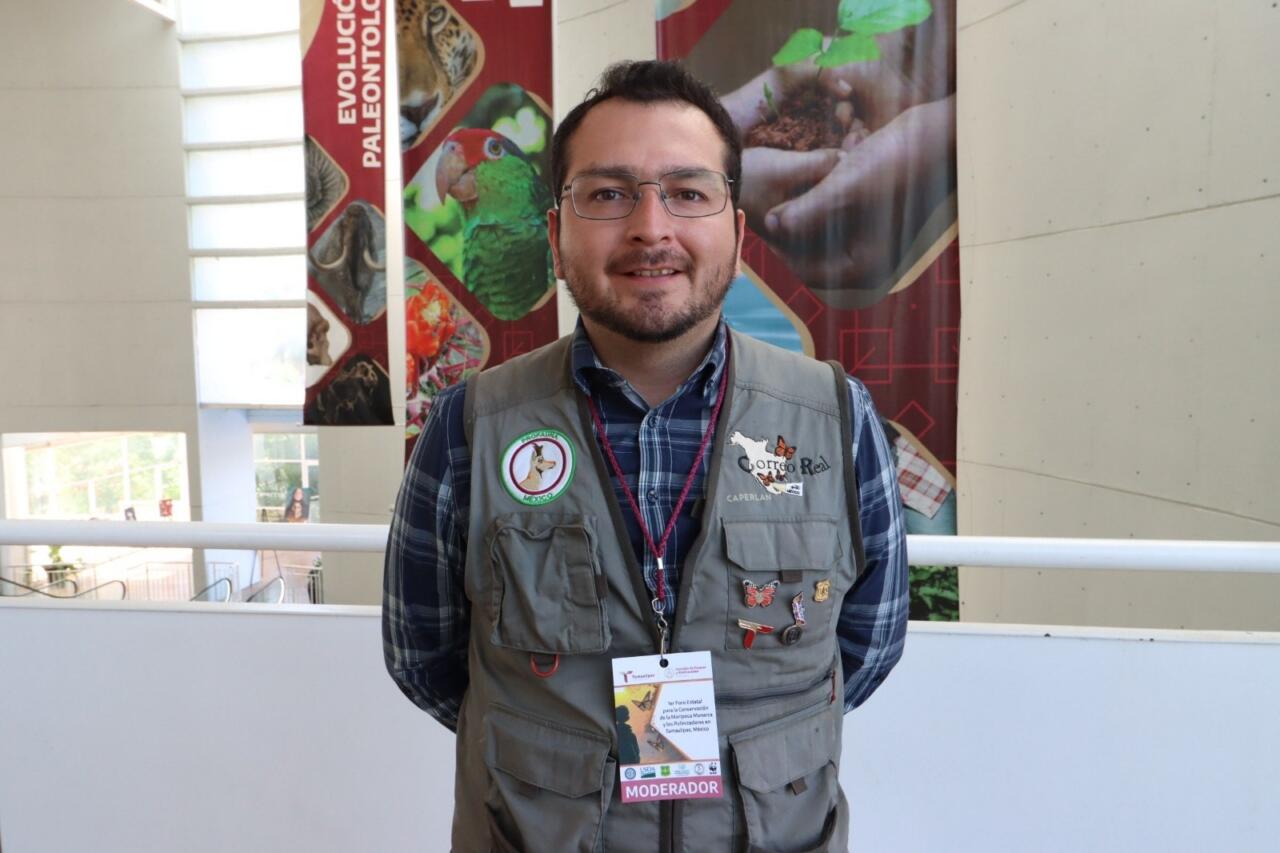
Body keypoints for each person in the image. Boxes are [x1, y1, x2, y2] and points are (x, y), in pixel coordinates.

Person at [384, 60, 907, 853]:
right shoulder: (470, 426)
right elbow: (424, 654)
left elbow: (865, 647)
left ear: (738, 232)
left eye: (688, 193)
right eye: (608, 194)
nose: (651, 228)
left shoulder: (837, 418)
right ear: (555, 235)